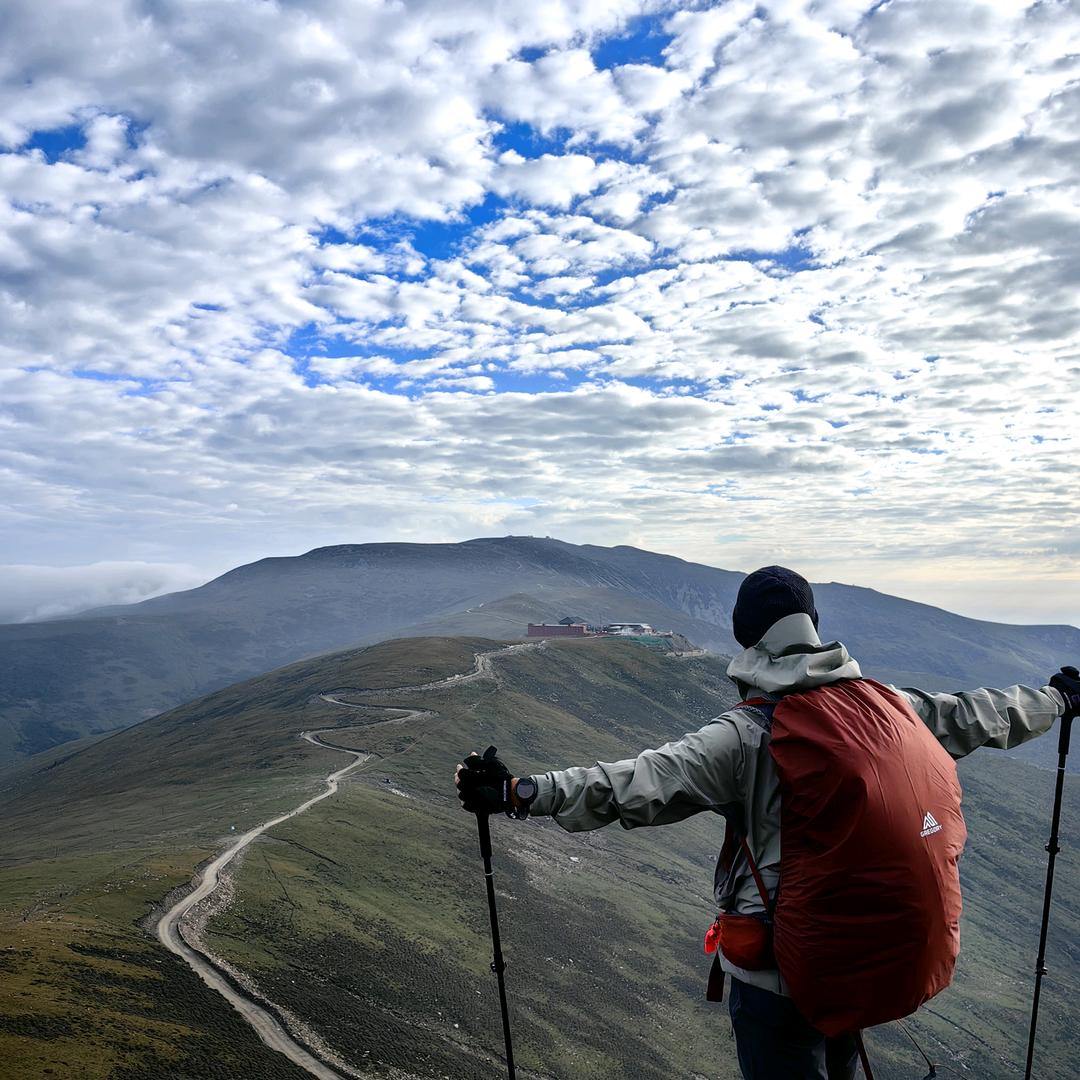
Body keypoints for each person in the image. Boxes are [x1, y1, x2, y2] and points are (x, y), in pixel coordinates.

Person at [454, 566, 1080, 1080]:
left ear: (745, 638)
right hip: (852, 950)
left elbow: (635, 783)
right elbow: (982, 715)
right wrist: (1056, 699)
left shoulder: (748, 735)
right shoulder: (895, 708)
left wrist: (518, 792)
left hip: (778, 973)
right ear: (817, 629)